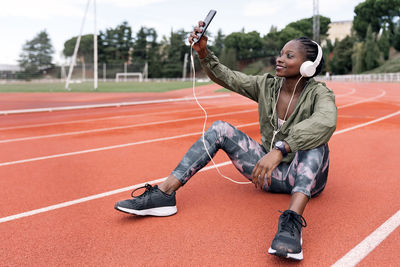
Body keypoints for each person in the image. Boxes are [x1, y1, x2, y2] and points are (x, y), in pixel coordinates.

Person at [114, 21, 337, 261]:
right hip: (267, 173)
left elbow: (326, 121)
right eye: (281, 53)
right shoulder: (266, 85)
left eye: (289, 55)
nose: (280, 59)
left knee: (316, 142)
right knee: (220, 128)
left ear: (307, 66)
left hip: (304, 179)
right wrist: (203, 53)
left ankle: (291, 225)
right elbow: (228, 77)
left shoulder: (319, 93)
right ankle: (165, 194)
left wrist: (281, 148)